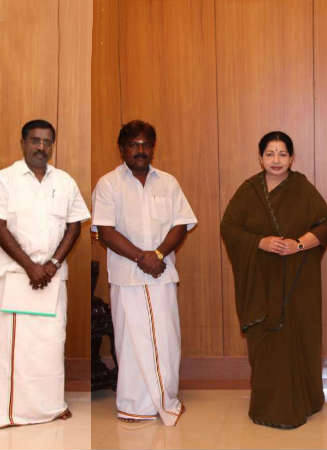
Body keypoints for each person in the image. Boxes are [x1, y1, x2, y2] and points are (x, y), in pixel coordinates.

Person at [221, 131, 327, 429]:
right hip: (260, 282)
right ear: (260, 158)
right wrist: (260, 242)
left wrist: (298, 244)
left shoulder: (302, 188)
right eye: (269, 154)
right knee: (266, 341)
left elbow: (326, 224)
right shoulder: (249, 191)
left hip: (298, 281)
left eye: (282, 154)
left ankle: (305, 400)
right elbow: (229, 228)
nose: (276, 160)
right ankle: (268, 406)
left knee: (298, 337)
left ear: (292, 158)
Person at [92, 120, 197, 426]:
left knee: (166, 339)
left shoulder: (168, 183)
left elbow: (181, 224)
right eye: (133, 145)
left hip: (162, 275)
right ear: (121, 149)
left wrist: (158, 255)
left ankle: (166, 399)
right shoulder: (108, 184)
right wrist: (142, 257)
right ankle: (134, 406)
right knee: (131, 342)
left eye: (146, 145)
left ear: (153, 148)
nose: (140, 150)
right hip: (127, 278)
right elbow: (105, 232)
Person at [0, 119, 90, 427]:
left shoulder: (64, 181)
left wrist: (52, 264)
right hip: (16, 277)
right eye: (35, 140)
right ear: (22, 143)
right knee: (16, 349)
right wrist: (30, 266)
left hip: (52, 278)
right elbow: (0, 228)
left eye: (47, 142)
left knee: (51, 345)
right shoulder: (5, 179)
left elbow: (74, 226)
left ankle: (51, 406)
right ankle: (12, 411)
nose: (41, 147)